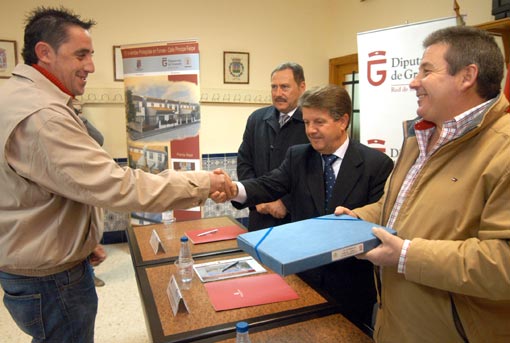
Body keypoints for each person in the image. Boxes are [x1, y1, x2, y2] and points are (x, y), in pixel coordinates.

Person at [0, 7, 232, 343]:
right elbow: (117, 185)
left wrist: (80, 238)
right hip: (49, 280)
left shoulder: (15, 96)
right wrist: (204, 182)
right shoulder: (43, 117)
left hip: (35, 264)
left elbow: (53, 184)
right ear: (44, 53)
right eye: (81, 55)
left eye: (91, 55)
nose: (91, 66)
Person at [335, 26, 510, 342]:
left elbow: (503, 263)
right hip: (396, 325)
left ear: (467, 76)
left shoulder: (504, 148)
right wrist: (358, 219)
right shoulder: (419, 139)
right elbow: (395, 207)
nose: (414, 82)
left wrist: (405, 255)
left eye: (426, 71)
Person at [229, 84, 394, 334]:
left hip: (351, 287)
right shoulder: (298, 156)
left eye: (318, 122)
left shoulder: (376, 165)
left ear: (343, 121)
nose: (310, 131)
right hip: (303, 280)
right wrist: (233, 189)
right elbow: (268, 185)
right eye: (306, 122)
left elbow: (376, 225)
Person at [236, 62, 309, 231]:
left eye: (284, 87)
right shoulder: (256, 119)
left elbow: (315, 172)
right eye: (274, 87)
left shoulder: (311, 123)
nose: (278, 93)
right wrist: (256, 198)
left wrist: (286, 203)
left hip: (297, 220)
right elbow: (244, 162)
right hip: (260, 217)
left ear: (302, 86)